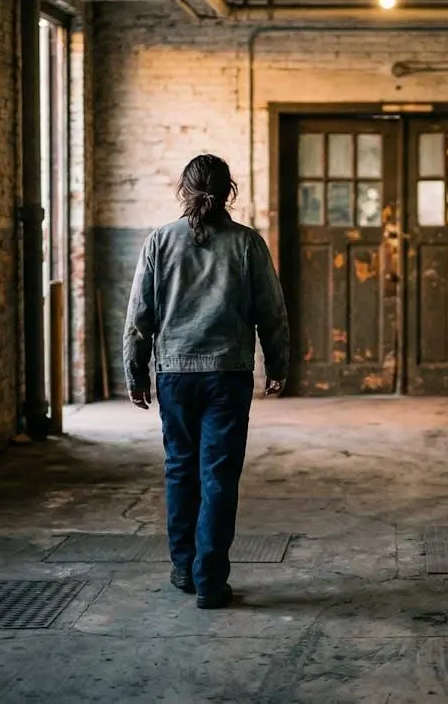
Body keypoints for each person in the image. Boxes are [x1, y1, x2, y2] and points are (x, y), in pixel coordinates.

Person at [123, 153, 289, 610]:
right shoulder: (247, 244)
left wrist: (135, 373)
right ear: (228, 191)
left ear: (184, 189)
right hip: (227, 374)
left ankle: (183, 568)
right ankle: (211, 580)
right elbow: (271, 311)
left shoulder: (160, 242)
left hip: (175, 374)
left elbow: (139, 317)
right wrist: (278, 365)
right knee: (218, 474)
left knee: (181, 468)